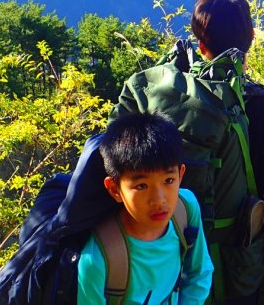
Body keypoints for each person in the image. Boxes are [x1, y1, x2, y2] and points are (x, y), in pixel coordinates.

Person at [112, 0, 264, 305]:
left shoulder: (164, 98)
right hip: (238, 269)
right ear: (251, 39)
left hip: (163, 260)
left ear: (200, 43)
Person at [77, 112, 213, 305]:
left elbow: (200, 272)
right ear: (114, 189)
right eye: (142, 186)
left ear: (181, 175)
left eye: (169, 180)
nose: (159, 200)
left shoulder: (185, 208)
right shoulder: (97, 258)